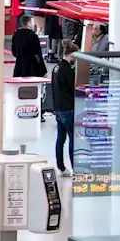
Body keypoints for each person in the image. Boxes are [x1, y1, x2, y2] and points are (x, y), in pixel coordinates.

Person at [51, 38, 78, 176]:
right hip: (68, 109)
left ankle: (61, 167)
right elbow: (73, 89)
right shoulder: (68, 71)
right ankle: (75, 168)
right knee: (73, 139)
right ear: (72, 55)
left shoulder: (55, 68)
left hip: (59, 109)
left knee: (60, 139)